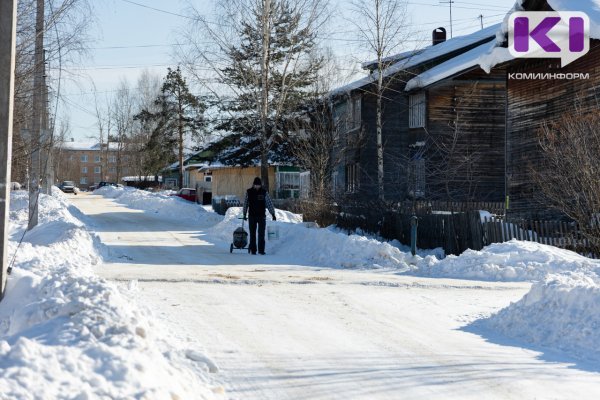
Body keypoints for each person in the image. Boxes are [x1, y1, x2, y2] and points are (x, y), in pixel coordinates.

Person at [242, 177, 276, 255]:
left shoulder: (264, 192)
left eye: (258, 185)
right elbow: (245, 203)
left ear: (260, 185)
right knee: (252, 234)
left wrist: (273, 214)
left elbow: (269, 203)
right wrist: (244, 214)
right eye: (256, 185)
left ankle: (261, 250)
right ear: (253, 185)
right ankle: (253, 250)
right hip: (252, 216)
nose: (257, 186)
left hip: (261, 216)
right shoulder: (249, 192)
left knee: (261, 234)